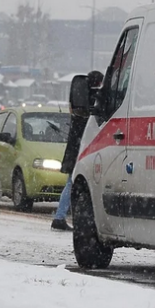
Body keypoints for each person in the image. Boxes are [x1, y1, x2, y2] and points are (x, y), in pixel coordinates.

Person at [51, 70, 104, 231]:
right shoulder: (92, 103)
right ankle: (61, 217)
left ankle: (61, 216)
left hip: (75, 148)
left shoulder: (80, 102)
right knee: (72, 183)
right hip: (83, 148)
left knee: (71, 182)